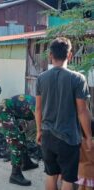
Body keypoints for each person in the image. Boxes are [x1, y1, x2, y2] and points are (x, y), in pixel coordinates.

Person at [35, 37, 93, 190]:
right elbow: (82, 111)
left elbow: (38, 109)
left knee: (50, 175)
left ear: (50, 56)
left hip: (47, 135)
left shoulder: (41, 78)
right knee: (68, 179)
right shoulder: (78, 79)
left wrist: (39, 131)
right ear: (70, 56)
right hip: (68, 138)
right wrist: (88, 137)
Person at [0, 94, 39, 186]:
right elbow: (39, 123)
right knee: (16, 141)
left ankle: (26, 162)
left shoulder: (41, 102)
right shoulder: (37, 105)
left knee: (21, 135)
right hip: (3, 113)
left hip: (12, 113)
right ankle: (15, 174)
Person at [76, 123, 94, 190]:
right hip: (91, 172)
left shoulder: (80, 142)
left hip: (81, 171)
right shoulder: (92, 144)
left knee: (81, 187)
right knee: (89, 187)